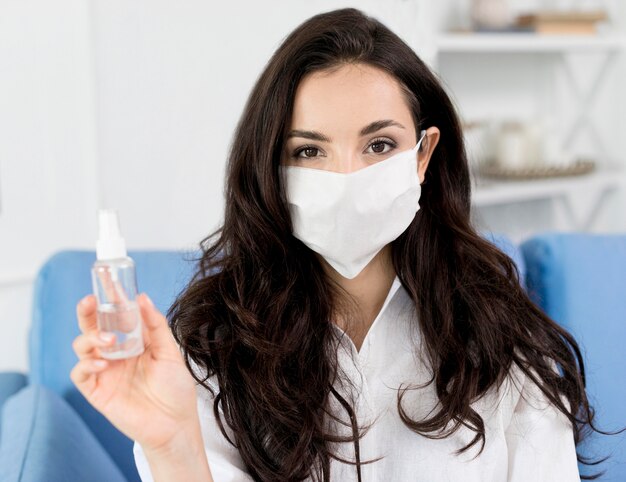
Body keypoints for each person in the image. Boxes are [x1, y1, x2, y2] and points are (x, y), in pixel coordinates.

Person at [70, 7, 605, 481]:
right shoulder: (212, 348)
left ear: (423, 155)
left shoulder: (502, 338)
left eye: (378, 144)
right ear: (271, 168)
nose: (347, 177)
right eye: (309, 152)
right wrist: (172, 446)